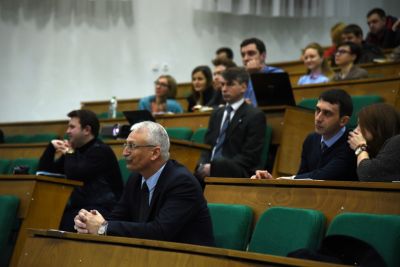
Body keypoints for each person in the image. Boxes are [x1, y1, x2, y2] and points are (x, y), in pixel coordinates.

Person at [73, 121, 215, 246]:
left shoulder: (182, 183)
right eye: (125, 145)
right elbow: (116, 217)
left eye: (132, 146)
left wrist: (103, 228)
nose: (125, 152)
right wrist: (89, 223)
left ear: (155, 153)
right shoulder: (135, 179)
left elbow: (160, 232)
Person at [38, 109, 123, 231]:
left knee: (63, 221)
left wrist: (70, 152)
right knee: (47, 216)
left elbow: (74, 174)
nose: (67, 131)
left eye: (72, 127)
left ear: (87, 130)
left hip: (103, 209)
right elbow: (46, 174)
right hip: (81, 207)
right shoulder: (75, 151)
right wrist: (51, 148)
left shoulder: (101, 151)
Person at [252, 89, 357, 181]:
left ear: (343, 121)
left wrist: (282, 180)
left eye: (327, 113)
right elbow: (302, 178)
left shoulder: (351, 143)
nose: (318, 118)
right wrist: (273, 182)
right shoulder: (311, 139)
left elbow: (324, 176)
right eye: (317, 110)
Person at [195, 67, 266, 182]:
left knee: (220, 163)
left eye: (230, 84)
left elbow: (250, 156)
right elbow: (207, 146)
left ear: (243, 87)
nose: (224, 89)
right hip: (211, 166)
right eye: (222, 85)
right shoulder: (217, 114)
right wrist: (202, 164)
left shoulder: (254, 115)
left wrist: (215, 167)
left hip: (239, 170)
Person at [348, 103, 400, 181]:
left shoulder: (397, 141)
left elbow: (368, 175)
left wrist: (360, 147)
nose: (355, 130)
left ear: (378, 126)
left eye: (361, 125)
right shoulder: (372, 149)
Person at [240, 38, 284, 106]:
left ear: (263, 56)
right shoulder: (241, 78)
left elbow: (274, 102)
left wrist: (257, 74)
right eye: (243, 55)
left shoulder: (277, 73)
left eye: (251, 53)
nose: (246, 58)